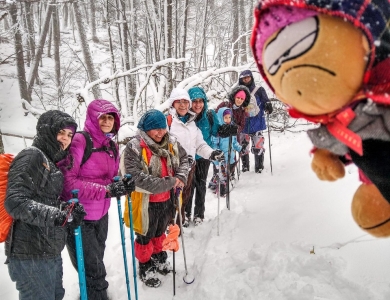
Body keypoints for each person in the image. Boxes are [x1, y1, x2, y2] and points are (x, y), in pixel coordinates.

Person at [4, 110, 85, 300]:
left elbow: (43, 199)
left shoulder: (51, 161)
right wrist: (57, 214)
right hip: (31, 255)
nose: (65, 139)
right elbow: (15, 201)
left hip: (48, 251)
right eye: (61, 132)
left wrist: (66, 209)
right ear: (47, 130)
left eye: (69, 135)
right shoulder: (32, 156)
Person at [59, 99, 132, 300]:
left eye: (111, 117)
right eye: (102, 117)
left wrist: (121, 184)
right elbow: (68, 183)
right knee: (93, 269)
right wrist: (106, 190)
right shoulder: (80, 141)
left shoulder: (111, 145)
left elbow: (110, 178)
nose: (107, 121)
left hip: (102, 214)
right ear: (92, 117)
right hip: (80, 216)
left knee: (96, 261)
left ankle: (92, 294)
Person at [120, 109, 189, 288]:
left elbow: (184, 160)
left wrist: (181, 177)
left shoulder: (171, 142)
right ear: (145, 130)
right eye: (155, 129)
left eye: (162, 128)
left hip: (167, 200)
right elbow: (135, 177)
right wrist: (170, 182)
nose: (160, 132)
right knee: (145, 236)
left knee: (159, 233)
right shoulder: (134, 147)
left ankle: (159, 258)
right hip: (144, 203)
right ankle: (145, 265)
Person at [167, 88, 224, 227]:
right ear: (172, 104)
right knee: (172, 200)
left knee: (186, 196)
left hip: (189, 169)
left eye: (185, 102)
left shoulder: (192, 124)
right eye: (179, 102)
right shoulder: (167, 122)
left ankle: (180, 223)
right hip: (173, 170)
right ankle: (172, 226)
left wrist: (211, 153)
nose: (183, 105)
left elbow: (200, 145)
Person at [185, 86, 220, 226]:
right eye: (195, 101)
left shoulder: (209, 116)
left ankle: (199, 214)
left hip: (204, 157)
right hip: (189, 158)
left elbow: (217, 131)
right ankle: (185, 214)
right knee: (188, 186)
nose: (198, 104)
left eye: (201, 101)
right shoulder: (185, 117)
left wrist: (227, 129)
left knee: (200, 185)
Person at [239, 70, 273, 173]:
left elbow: (266, 101)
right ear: (241, 79)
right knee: (243, 146)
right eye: (244, 78)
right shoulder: (238, 91)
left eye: (248, 77)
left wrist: (268, 105)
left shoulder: (259, 90)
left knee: (258, 146)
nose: (246, 79)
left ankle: (259, 167)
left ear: (251, 78)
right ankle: (245, 167)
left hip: (257, 122)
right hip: (243, 123)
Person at [211, 108, 244, 196]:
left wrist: (240, 148)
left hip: (230, 156)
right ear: (221, 118)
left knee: (226, 173)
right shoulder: (218, 130)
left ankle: (214, 185)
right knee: (222, 175)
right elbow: (214, 144)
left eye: (229, 117)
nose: (228, 119)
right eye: (225, 117)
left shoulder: (231, 128)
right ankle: (222, 190)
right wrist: (217, 153)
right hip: (221, 158)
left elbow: (234, 142)